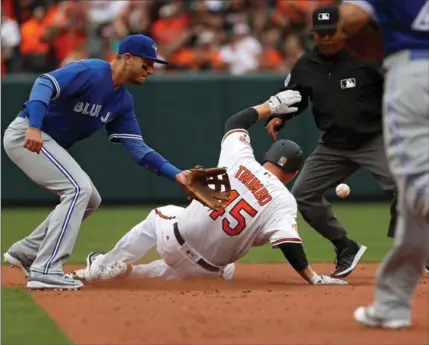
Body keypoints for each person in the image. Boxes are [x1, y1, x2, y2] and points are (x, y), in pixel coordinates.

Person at [72, 89, 347, 286]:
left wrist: (270, 106)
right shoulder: (284, 202)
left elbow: (235, 123)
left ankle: (105, 266)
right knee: (227, 269)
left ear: (268, 159)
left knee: (161, 213)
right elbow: (289, 243)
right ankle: (130, 274)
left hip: (175, 242)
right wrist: (312, 277)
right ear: (293, 173)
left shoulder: (241, 159)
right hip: (207, 272)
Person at [2, 34, 195, 291]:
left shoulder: (122, 101)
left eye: (153, 64)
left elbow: (138, 148)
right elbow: (44, 83)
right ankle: (46, 269)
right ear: (127, 58)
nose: (151, 69)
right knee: (77, 189)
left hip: (46, 140)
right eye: (146, 63)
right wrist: (34, 126)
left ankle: (27, 251)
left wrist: (177, 175)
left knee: (90, 199)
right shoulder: (92, 71)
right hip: (27, 133)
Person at [265, 5, 397, 279]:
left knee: (404, 188)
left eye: (331, 32)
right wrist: (281, 118)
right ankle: (345, 246)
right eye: (320, 33)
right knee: (302, 195)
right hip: (333, 145)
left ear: (343, 31)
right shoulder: (307, 64)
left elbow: (397, 86)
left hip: (374, 139)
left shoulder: (366, 56)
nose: (325, 38)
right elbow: (293, 94)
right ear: (313, 34)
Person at [338, 0, 429, 329]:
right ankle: (391, 303)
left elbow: (352, 17)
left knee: (418, 184)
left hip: (415, 72)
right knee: (410, 202)